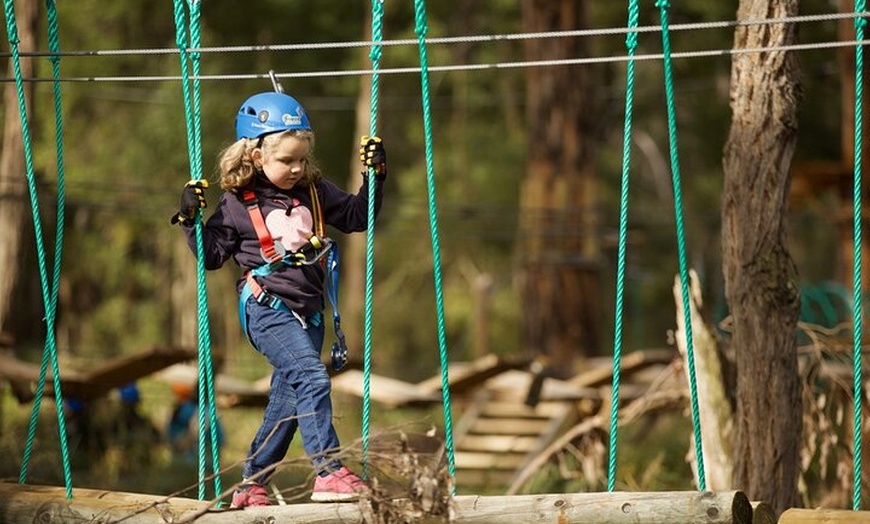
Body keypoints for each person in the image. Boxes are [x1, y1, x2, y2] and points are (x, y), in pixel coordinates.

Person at [172, 91, 386, 508]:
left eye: (302, 160)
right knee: (312, 378)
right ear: (255, 157)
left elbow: (359, 217)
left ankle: (252, 484)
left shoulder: (315, 190)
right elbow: (213, 255)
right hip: (266, 308)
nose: (297, 168)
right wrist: (190, 220)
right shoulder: (237, 203)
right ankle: (328, 470)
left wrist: (374, 175)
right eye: (287, 160)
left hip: (309, 315)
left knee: (288, 400)